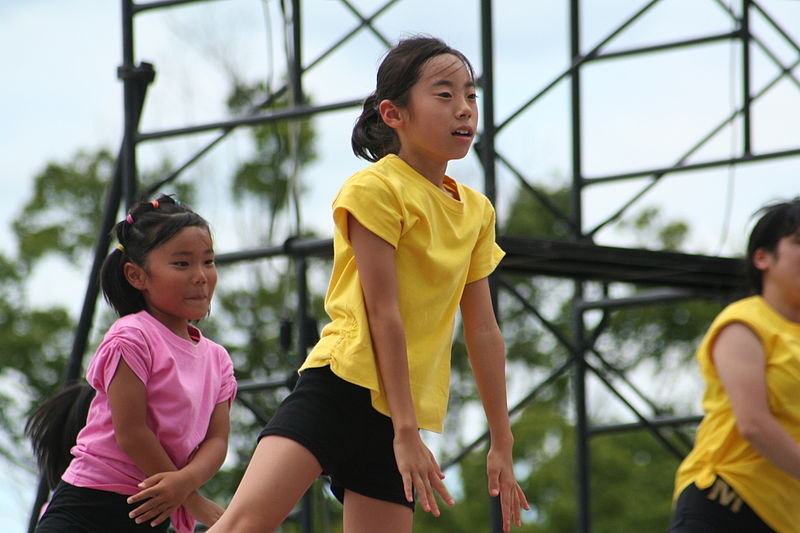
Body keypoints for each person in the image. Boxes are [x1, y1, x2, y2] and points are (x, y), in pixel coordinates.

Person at [209, 36, 529, 533]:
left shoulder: (476, 211)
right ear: (394, 113)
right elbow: (385, 314)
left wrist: (502, 442)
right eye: (444, 95)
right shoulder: (375, 187)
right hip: (341, 386)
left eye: (471, 95)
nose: (464, 109)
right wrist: (404, 431)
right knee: (242, 526)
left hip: (398, 415)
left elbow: (484, 331)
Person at [28, 194, 237, 533]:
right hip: (87, 510)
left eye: (208, 262)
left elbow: (217, 441)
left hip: (152, 515)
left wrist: (184, 483)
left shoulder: (218, 360)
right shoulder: (132, 337)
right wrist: (189, 497)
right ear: (136, 276)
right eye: (182, 264)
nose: (201, 276)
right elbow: (132, 432)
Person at [668, 198, 800, 533]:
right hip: (726, 503)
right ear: (762, 258)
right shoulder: (744, 322)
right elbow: (754, 424)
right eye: (799, 242)